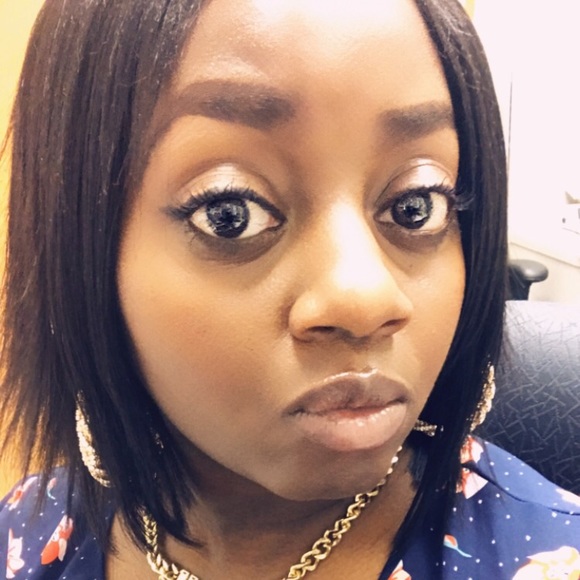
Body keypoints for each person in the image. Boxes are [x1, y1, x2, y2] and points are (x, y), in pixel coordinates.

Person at [0, 0, 578, 578]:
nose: (366, 300)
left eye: (415, 206)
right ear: (81, 244)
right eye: (230, 212)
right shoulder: (24, 534)